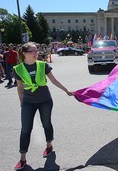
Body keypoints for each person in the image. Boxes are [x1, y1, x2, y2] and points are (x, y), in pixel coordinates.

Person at [13, 42, 74, 170]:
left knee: (46, 123)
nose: (36, 53)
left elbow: (53, 80)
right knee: (25, 129)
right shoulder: (18, 69)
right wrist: (21, 102)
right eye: (33, 51)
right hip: (28, 103)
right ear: (24, 53)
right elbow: (19, 87)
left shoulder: (43, 65)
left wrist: (66, 90)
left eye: (37, 50)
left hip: (45, 100)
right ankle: (22, 158)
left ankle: (49, 145)